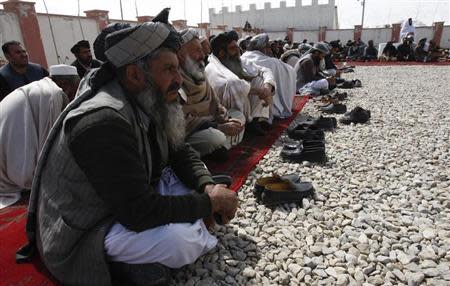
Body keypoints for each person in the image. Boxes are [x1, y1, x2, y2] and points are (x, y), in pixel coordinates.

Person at [20, 15, 238, 286]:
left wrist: (206, 188)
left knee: (205, 183)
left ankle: (148, 258)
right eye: (170, 69)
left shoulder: (149, 97)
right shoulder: (103, 120)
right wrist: (208, 204)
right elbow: (137, 211)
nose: (179, 80)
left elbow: (180, 151)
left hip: (131, 197)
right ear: (135, 74)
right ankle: (118, 265)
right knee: (178, 241)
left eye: (178, 69)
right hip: (91, 225)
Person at [0, 65, 79, 208]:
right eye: (73, 92)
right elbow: (51, 141)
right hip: (13, 173)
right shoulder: (53, 94)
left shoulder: (38, 88)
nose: (72, 98)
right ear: (64, 84)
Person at [178, 28, 245, 157]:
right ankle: (219, 146)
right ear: (182, 55)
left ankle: (221, 147)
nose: (203, 55)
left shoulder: (198, 72)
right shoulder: (175, 80)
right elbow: (182, 122)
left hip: (212, 121)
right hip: (193, 131)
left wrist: (224, 117)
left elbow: (215, 102)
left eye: (202, 50)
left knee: (238, 116)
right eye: (197, 51)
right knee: (214, 137)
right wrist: (218, 127)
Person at [205, 31, 276, 135]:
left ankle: (254, 122)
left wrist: (266, 87)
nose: (238, 51)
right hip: (226, 112)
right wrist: (258, 91)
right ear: (221, 53)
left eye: (237, 47)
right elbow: (232, 84)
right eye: (233, 48)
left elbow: (264, 70)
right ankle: (245, 125)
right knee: (234, 86)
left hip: (244, 106)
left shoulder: (238, 60)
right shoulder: (213, 67)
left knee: (260, 79)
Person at [242, 33, 295, 119]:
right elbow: (291, 71)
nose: (270, 49)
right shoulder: (271, 62)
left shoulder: (242, 58)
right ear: (264, 48)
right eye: (269, 47)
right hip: (255, 99)